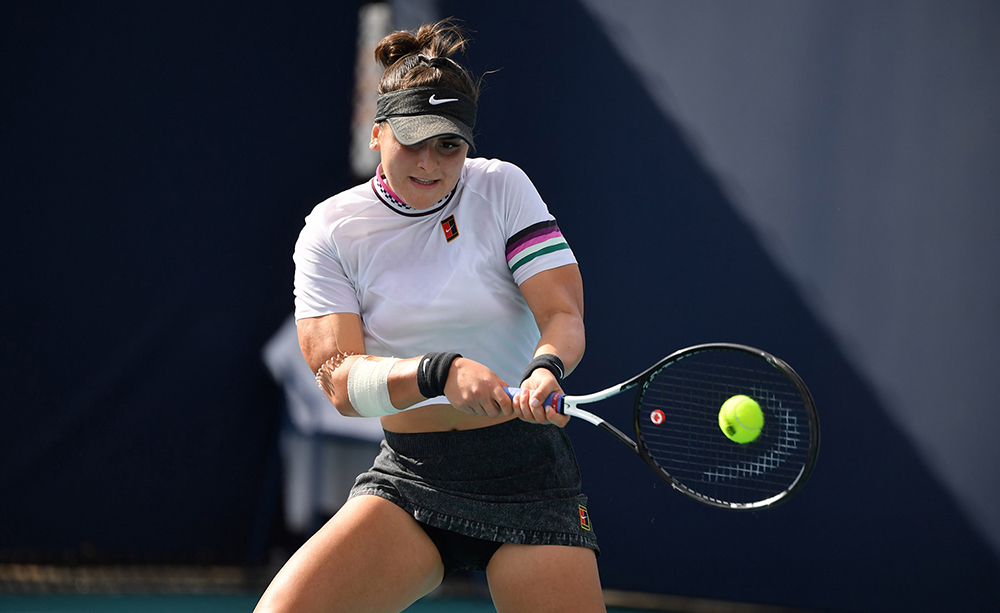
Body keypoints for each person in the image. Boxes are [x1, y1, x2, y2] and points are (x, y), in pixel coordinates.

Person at [254, 19, 605, 613]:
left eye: (449, 144)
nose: (429, 162)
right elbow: (338, 380)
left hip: (528, 476)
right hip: (412, 478)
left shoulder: (502, 188)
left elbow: (563, 314)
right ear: (377, 133)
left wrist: (547, 369)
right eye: (411, 140)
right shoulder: (331, 230)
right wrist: (438, 374)